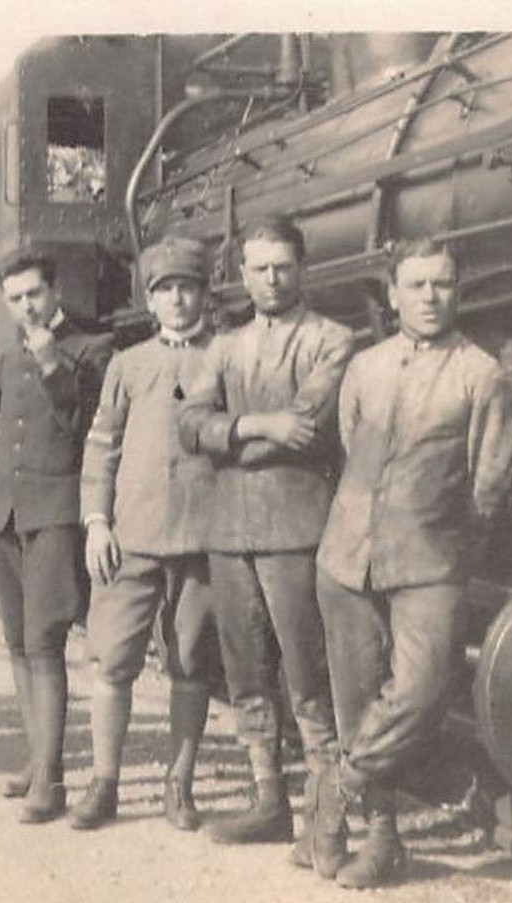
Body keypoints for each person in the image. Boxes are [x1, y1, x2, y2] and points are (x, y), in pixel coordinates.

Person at [313, 237, 512, 888]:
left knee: (420, 693)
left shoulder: (481, 374)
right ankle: (380, 840)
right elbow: (351, 448)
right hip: (345, 556)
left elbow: (488, 484)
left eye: (442, 283)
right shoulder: (365, 366)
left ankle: (335, 788)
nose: (430, 296)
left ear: (459, 290)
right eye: (416, 284)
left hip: (429, 557)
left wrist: (441, 538)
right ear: (392, 294)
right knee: (354, 700)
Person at [176, 217, 354, 867]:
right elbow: (189, 425)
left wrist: (234, 435)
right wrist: (259, 424)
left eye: (281, 266)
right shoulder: (222, 347)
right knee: (244, 670)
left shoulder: (331, 339)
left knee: (308, 675)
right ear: (241, 273)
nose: (269, 279)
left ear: (301, 266)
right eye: (257, 268)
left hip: (298, 529)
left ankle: (324, 812)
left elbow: (306, 425)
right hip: (230, 531)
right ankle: (267, 800)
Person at [0, 244, 112, 824]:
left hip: (53, 518)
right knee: (18, 640)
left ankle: (52, 778)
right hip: (1, 519)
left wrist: (51, 364)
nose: (26, 307)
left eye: (35, 295)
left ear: (56, 292)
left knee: (44, 643)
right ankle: (36, 756)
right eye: (15, 299)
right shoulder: (7, 355)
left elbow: (85, 424)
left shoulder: (92, 350)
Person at [73, 236, 220, 831]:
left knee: (191, 663)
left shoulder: (224, 358)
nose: (178, 299)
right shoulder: (127, 365)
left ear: (205, 296)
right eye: (165, 290)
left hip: (201, 539)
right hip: (129, 537)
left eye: (188, 287)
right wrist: (96, 521)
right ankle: (104, 783)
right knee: (111, 660)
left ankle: (178, 784)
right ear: (151, 302)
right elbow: (101, 448)